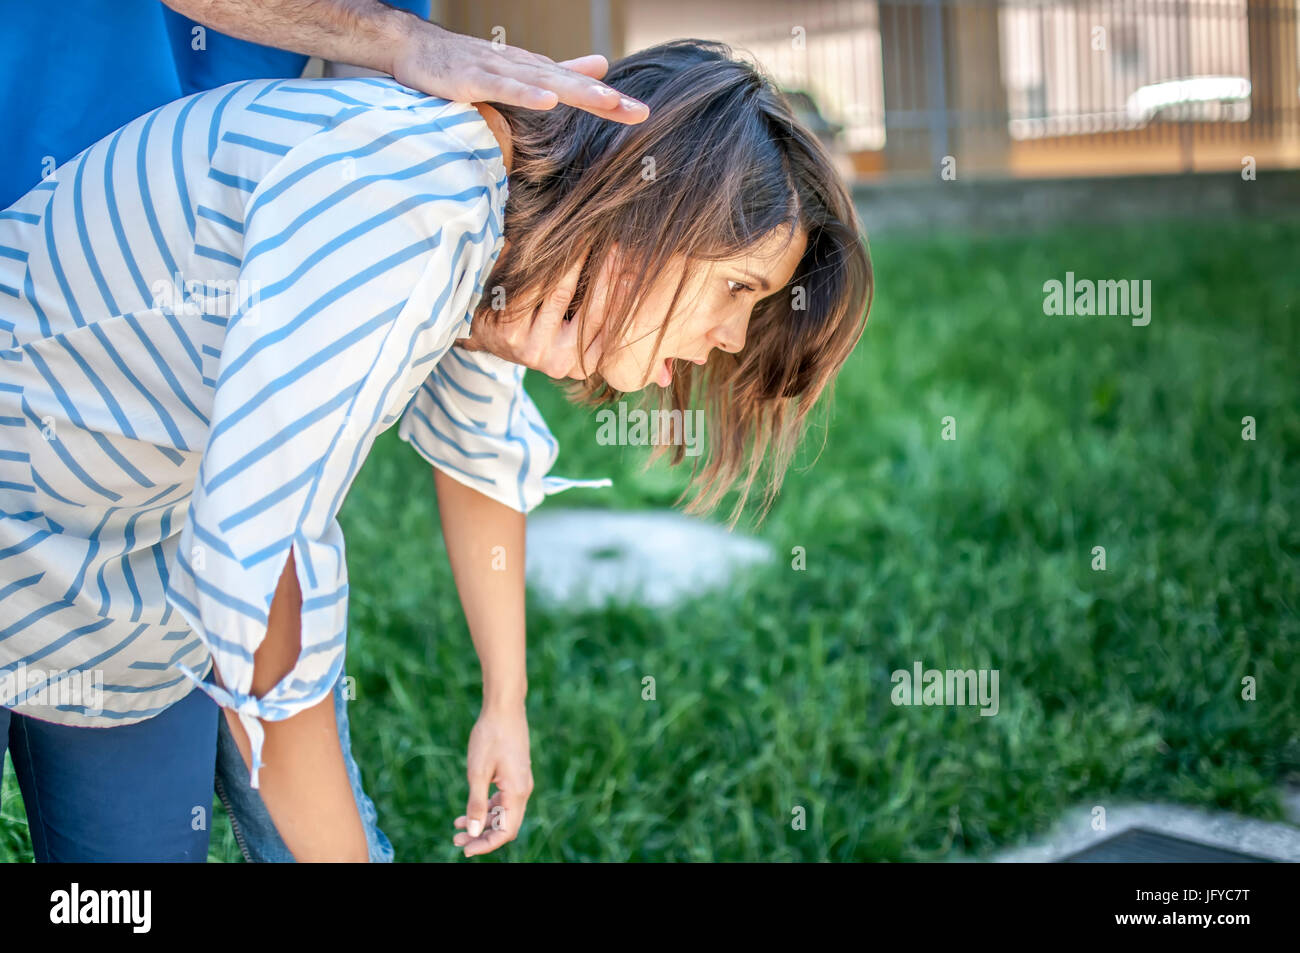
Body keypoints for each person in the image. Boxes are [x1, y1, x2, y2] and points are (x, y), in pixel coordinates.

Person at [0, 38, 872, 861]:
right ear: (654, 205)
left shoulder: (488, 211)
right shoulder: (406, 207)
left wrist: (505, 706)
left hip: (126, 573)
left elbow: (478, 449)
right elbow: (257, 569)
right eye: (738, 287)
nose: (732, 337)